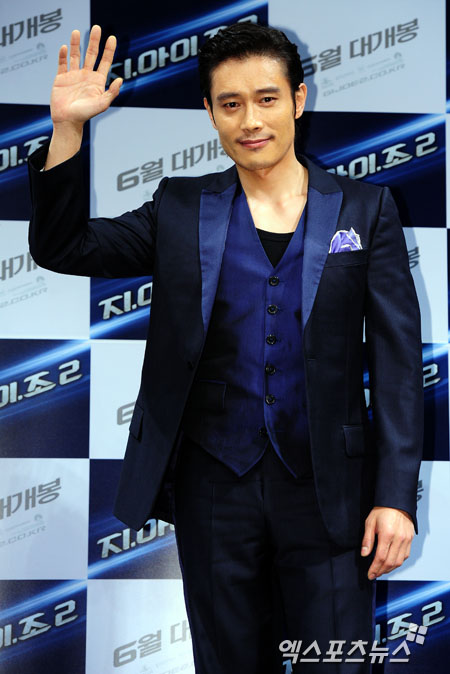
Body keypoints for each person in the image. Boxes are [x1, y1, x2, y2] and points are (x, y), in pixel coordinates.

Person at [28, 22, 423, 674]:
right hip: (213, 490)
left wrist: (395, 497)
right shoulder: (180, 207)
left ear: (298, 99)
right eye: (230, 103)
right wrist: (68, 129)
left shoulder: (366, 210)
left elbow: (398, 365)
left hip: (332, 494)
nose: (251, 120)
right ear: (209, 112)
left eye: (267, 99)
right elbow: (64, 247)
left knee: (339, 662)